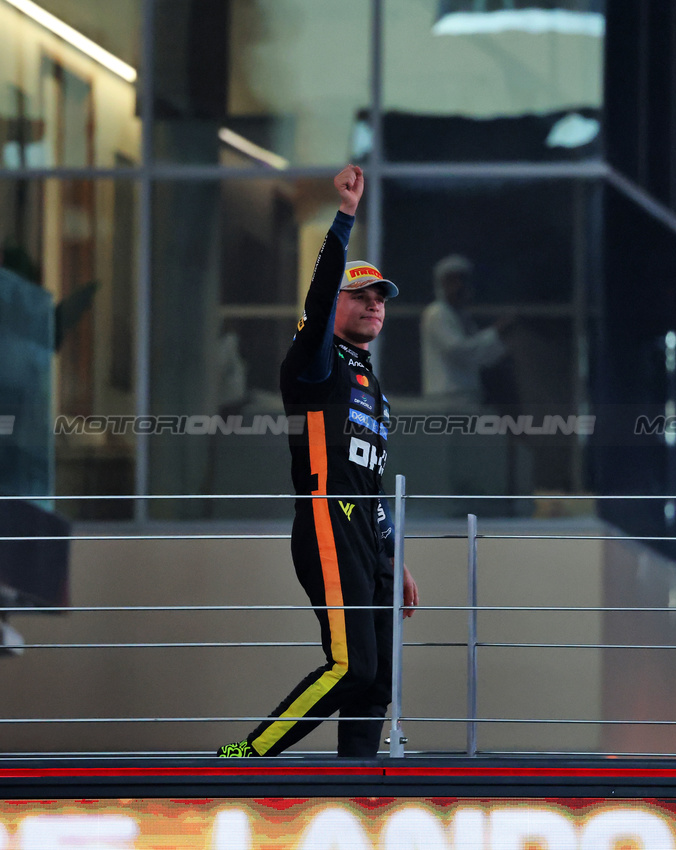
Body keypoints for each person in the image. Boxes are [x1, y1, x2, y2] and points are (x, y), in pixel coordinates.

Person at [218, 164, 419, 759]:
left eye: (380, 299)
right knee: (350, 665)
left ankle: (359, 792)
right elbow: (320, 291)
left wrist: (393, 554)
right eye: (361, 296)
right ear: (334, 306)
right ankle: (246, 755)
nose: (374, 306)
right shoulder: (315, 362)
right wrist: (346, 215)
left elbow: (371, 482)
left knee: (376, 681)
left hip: (365, 535)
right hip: (327, 519)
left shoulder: (373, 385)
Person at [420, 254, 510, 405]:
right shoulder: (436, 313)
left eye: (462, 280)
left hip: (468, 394)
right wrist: (496, 332)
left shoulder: (463, 316)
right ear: (441, 284)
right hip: (446, 397)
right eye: (452, 281)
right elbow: (458, 350)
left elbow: (479, 355)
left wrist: (504, 346)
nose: (459, 286)